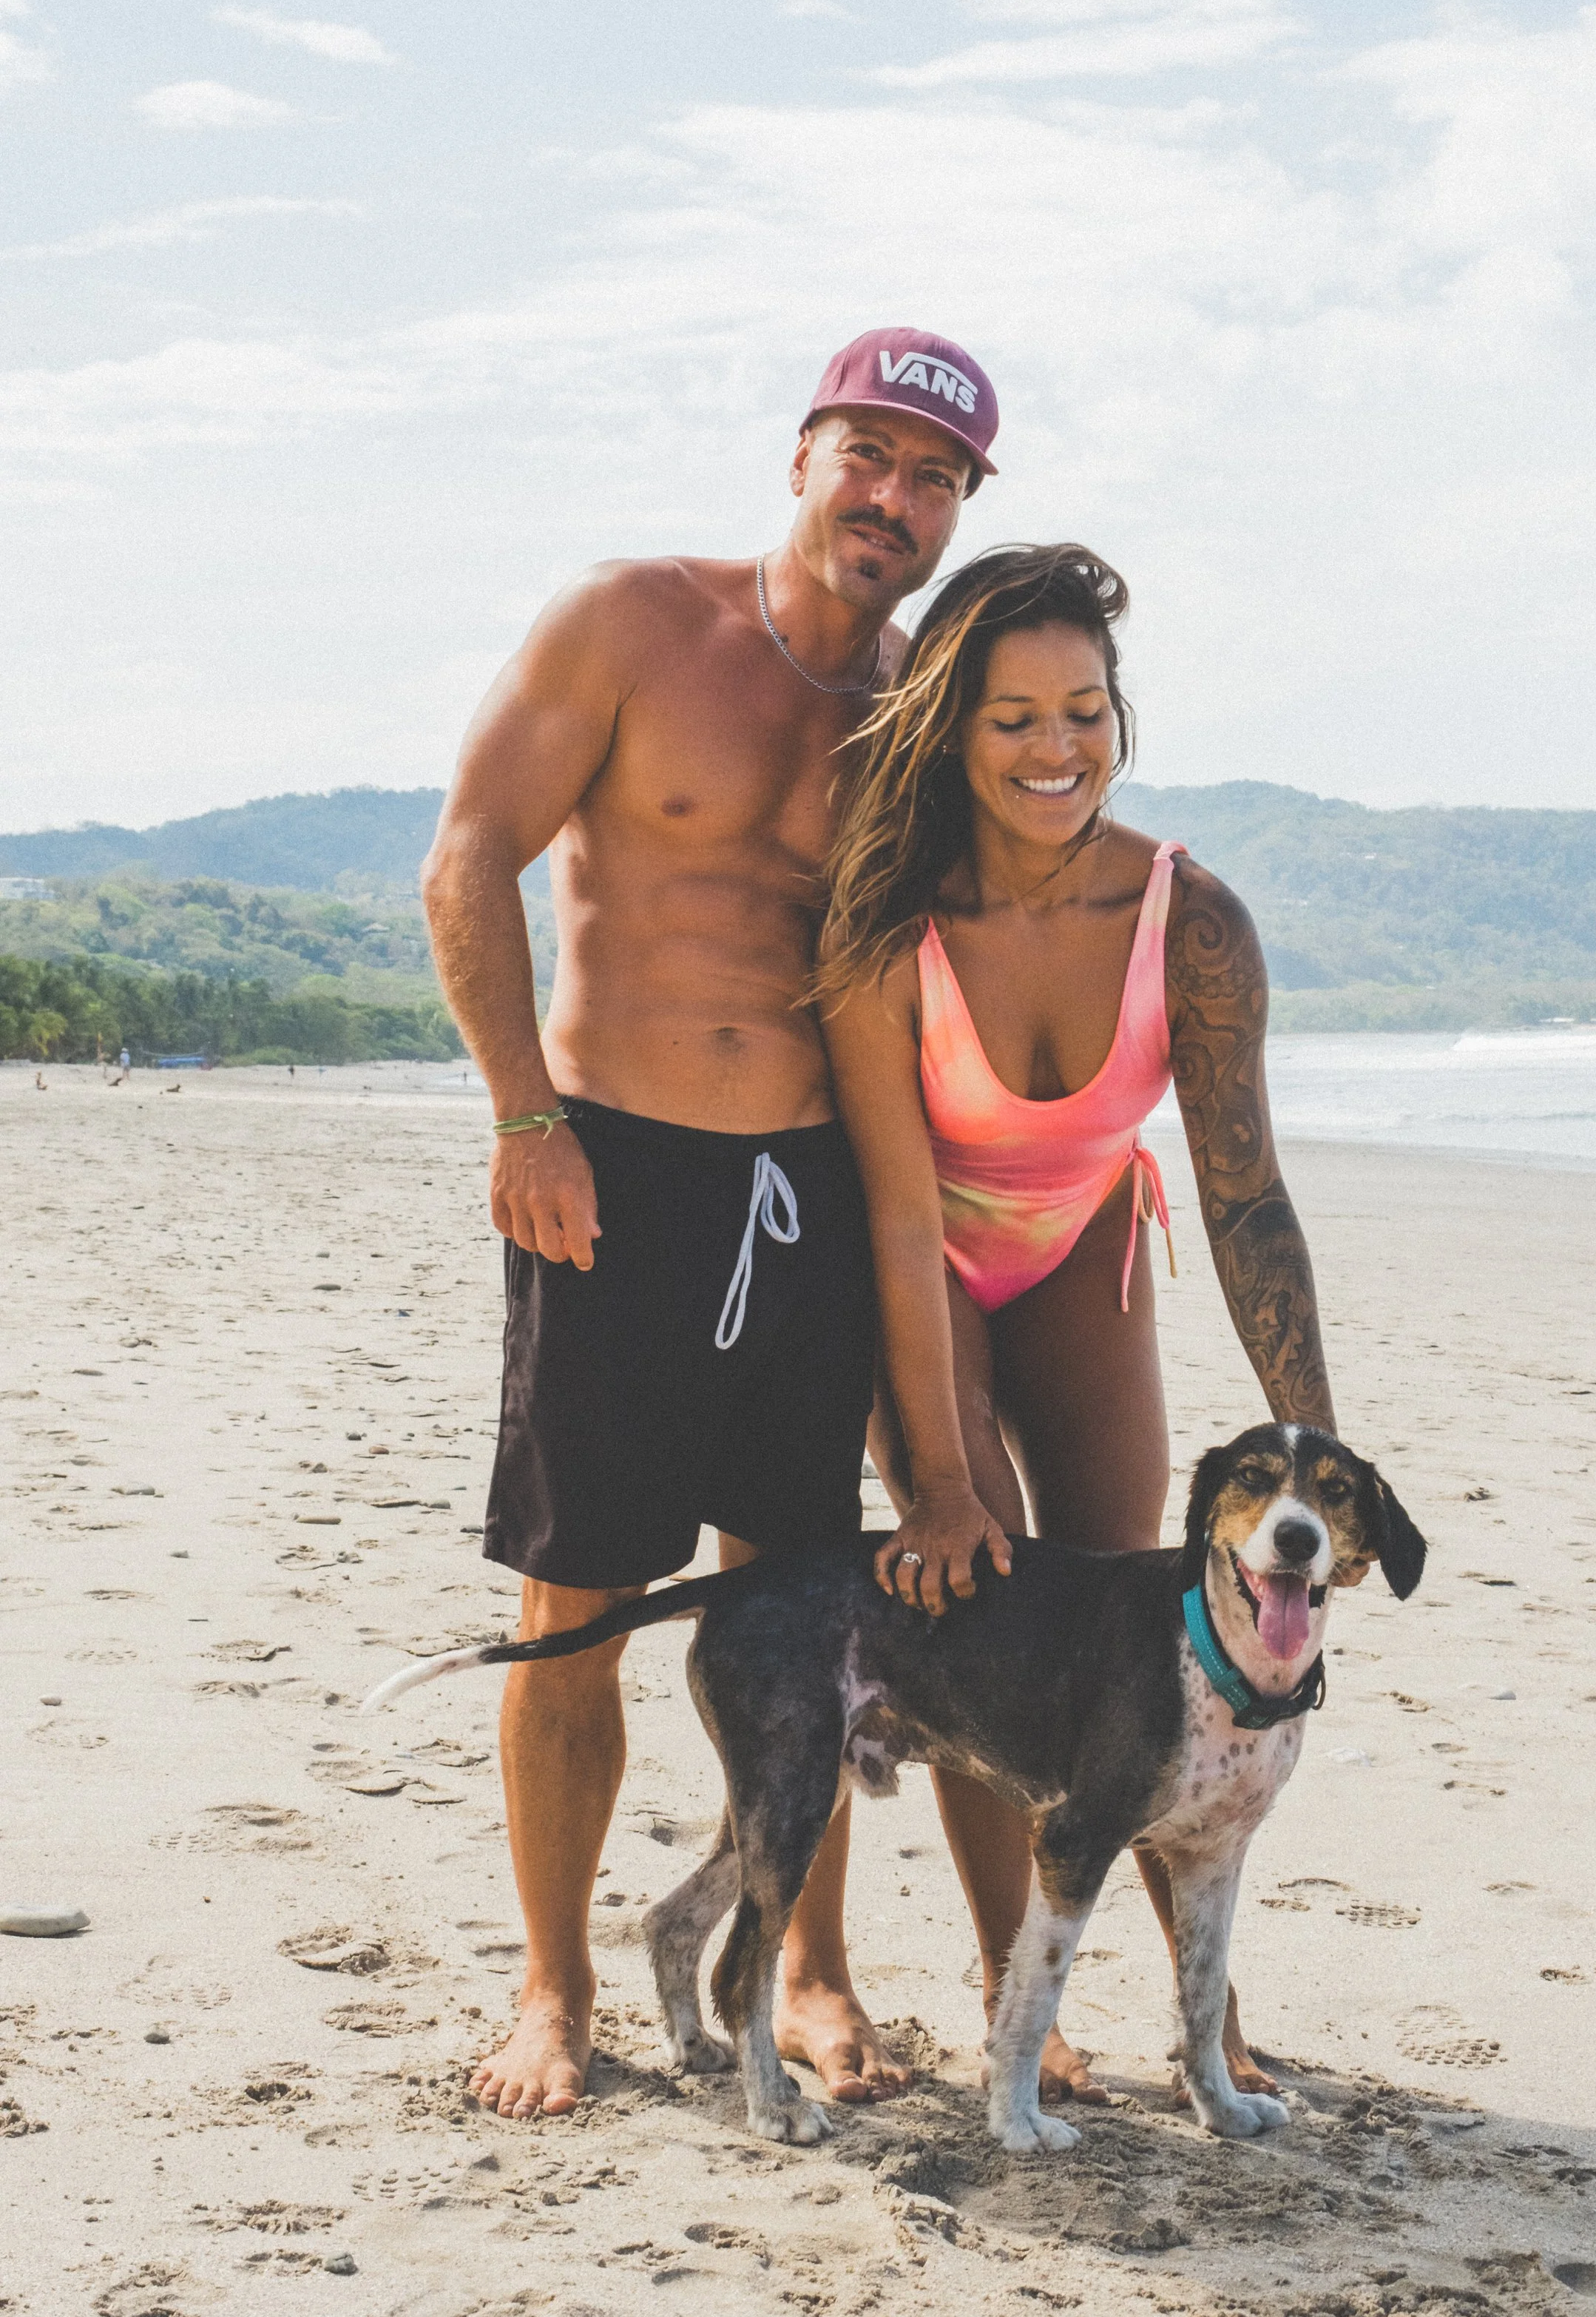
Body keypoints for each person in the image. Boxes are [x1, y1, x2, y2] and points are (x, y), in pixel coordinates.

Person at [422, 327, 1001, 2121]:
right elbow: (468, 855)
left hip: (803, 1196)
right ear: (803, 454)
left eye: (934, 481)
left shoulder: (912, 709)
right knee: (572, 1599)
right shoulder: (631, 621)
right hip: (606, 1172)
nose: (892, 502)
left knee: (795, 1610)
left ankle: (809, 1965)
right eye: (870, 459)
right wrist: (527, 1114)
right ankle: (552, 1982)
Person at [816, 543, 1336, 2102]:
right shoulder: (884, 926)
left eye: (1085, 712)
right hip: (922, 1264)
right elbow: (900, 1222)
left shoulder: (1190, 920)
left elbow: (1243, 1194)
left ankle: (1203, 2020)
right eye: (1012, 720)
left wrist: (1308, 1450)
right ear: (945, 730)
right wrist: (938, 1477)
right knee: (981, 1598)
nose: (1057, 751)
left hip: (1079, 1242)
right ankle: (1010, 1992)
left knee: (1172, 1629)